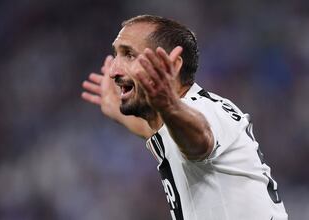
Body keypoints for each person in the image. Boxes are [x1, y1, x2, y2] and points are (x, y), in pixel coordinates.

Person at [81, 15, 288, 220]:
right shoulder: (180, 117)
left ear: (171, 65)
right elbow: (158, 130)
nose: (114, 71)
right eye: (116, 54)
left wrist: (168, 105)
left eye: (129, 55)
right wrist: (115, 108)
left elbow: (200, 142)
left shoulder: (204, 110)